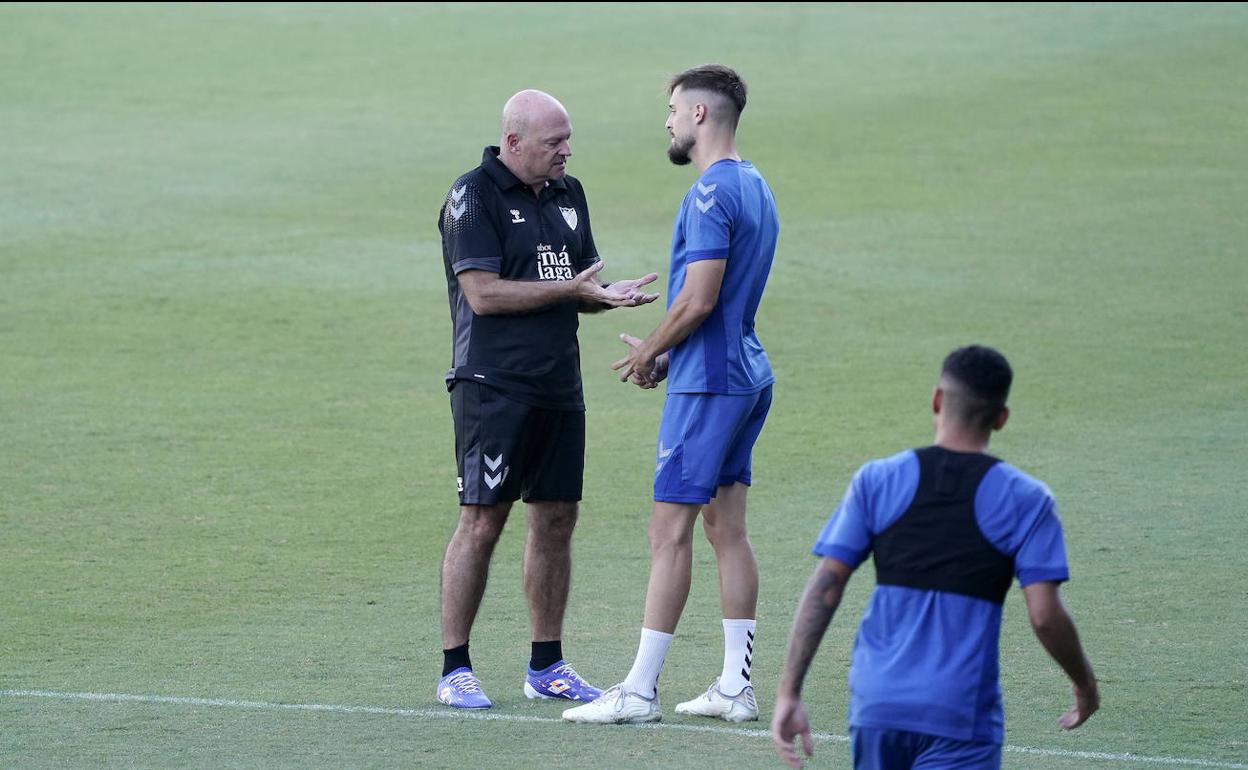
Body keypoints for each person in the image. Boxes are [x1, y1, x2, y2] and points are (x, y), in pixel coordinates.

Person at [563, 64, 779, 725]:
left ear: (702, 117)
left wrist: (652, 350)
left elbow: (698, 297)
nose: (668, 121)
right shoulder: (757, 185)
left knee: (669, 533)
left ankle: (638, 690)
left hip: (708, 383)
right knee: (726, 528)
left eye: (675, 110)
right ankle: (734, 689)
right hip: (746, 374)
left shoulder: (711, 194)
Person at [771, 345, 1100, 770]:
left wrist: (789, 692)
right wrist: (1085, 685)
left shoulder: (878, 479)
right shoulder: (1027, 499)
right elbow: (1044, 615)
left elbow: (826, 587)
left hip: (878, 706)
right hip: (959, 715)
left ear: (937, 400)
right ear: (1001, 418)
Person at [435, 89, 660, 709]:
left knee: (556, 518)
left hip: (558, 381)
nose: (566, 151)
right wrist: (571, 290)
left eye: (568, 139)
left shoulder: (569, 194)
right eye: (553, 142)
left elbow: (576, 283)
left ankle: (547, 666)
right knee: (483, 520)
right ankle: (455, 667)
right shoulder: (472, 196)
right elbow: (482, 295)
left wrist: (606, 295)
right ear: (513, 143)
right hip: (492, 384)